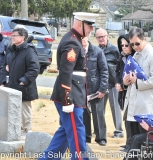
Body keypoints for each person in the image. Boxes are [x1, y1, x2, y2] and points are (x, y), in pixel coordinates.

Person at [39, 12, 98, 160]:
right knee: (77, 134)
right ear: (80, 24)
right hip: (71, 96)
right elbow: (66, 72)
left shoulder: (75, 40)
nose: (91, 29)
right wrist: (67, 100)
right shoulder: (72, 42)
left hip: (75, 93)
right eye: (89, 26)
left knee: (65, 133)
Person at [122, 27, 153, 142]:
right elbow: (131, 78)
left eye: (137, 43)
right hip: (133, 106)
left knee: (145, 144)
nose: (135, 47)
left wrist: (137, 82)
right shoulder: (135, 56)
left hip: (147, 108)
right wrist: (126, 82)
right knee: (132, 144)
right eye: (132, 44)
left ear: (144, 39)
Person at [6, 28, 39, 138]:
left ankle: (26, 132)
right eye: (12, 35)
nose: (13, 37)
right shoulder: (13, 50)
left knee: (25, 111)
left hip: (24, 87)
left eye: (15, 35)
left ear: (23, 37)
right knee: (14, 110)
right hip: (12, 85)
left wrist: (24, 81)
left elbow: (34, 68)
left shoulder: (29, 50)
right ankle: (17, 130)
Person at [95, 28, 124, 139]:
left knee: (115, 107)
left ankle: (118, 130)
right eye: (99, 37)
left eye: (103, 36)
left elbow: (120, 66)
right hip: (100, 85)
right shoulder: (95, 50)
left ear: (107, 36)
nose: (101, 39)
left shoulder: (115, 50)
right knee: (99, 108)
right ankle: (99, 130)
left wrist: (119, 82)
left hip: (113, 83)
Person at [82, 36, 109, 146]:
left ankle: (101, 138)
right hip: (81, 88)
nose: (82, 41)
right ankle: (86, 137)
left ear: (87, 38)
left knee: (98, 114)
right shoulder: (76, 51)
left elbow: (104, 71)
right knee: (84, 114)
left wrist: (102, 89)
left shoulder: (97, 51)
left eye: (83, 38)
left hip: (96, 88)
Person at [115, 34, 136, 151]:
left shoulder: (134, 57)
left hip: (131, 92)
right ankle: (128, 143)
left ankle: (131, 145)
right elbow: (117, 72)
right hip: (122, 92)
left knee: (131, 119)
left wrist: (123, 85)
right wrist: (118, 83)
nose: (123, 47)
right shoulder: (122, 57)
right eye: (121, 45)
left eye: (126, 45)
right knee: (126, 118)